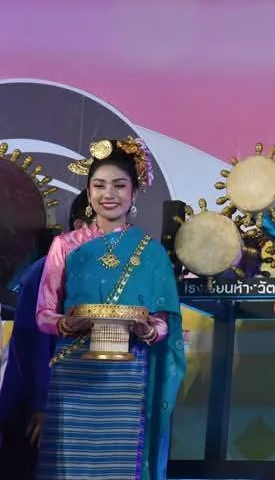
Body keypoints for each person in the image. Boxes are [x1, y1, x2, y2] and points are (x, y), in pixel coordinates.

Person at [34, 138, 186, 480]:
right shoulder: (65, 246)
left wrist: (148, 329)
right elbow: (43, 314)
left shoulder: (151, 253)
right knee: (68, 466)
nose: (109, 194)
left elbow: (165, 323)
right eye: (99, 185)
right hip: (73, 374)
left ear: (134, 193)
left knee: (118, 465)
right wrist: (68, 323)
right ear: (88, 192)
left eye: (119, 185)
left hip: (127, 376)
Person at [0, 191, 93, 480]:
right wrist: (42, 406)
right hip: (34, 408)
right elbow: (35, 345)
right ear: (80, 226)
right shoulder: (49, 271)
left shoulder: (89, 276)